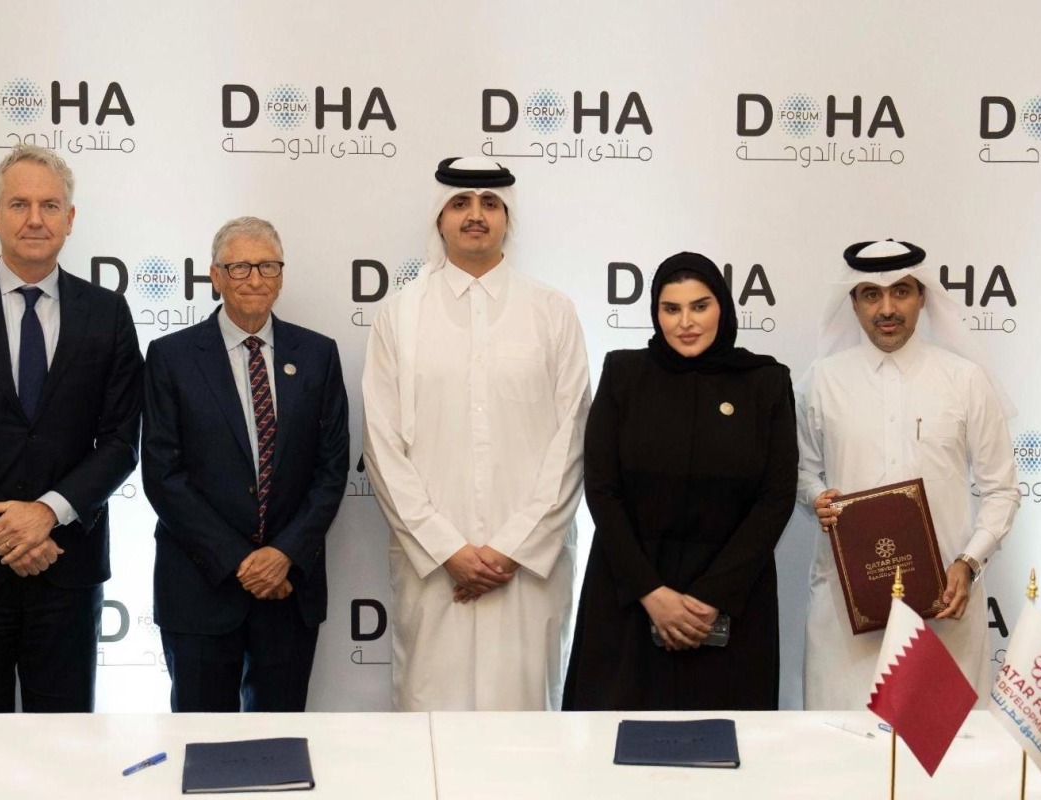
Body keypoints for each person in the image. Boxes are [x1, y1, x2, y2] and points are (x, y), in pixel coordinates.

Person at [0, 144, 143, 713]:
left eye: (50, 205)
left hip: (68, 565)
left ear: (70, 218)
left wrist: (47, 514)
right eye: (19, 204)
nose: (35, 218)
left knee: (65, 747)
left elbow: (119, 442)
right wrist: (7, 529)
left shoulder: (107, 314)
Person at [362, 157, 589, 711]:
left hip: (529, 570)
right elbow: (383, 446)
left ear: (508, 218)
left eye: (490, 204)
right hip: (434, 569)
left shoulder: (552, 312)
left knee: (526, 722)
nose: (475, 216)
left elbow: (573, 440)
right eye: (460, 203)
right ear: (438, 218)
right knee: (432, 726)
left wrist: (511, 549)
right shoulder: (399, 316)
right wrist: (449, 549)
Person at [563, 252, 797, 711]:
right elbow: (603, 490)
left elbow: (776, 497)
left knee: (728, 758)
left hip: (731, 603)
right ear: (656, 313)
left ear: (723, 309)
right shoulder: (624, 374)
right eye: (671, 309)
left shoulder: (765, 382)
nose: (686, 322)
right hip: (629, 597)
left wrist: (711, 598)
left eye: (700, 306)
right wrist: (651, 593)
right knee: (611, 760)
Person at [798, 239, 1019, 709]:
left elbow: (1001, 490)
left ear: (922, 296)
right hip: (846, 612)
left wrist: (970, 562)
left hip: (944, 602)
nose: (887, 308)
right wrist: (817, 496)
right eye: (871, 295)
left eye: (900, 291)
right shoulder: (821, 380)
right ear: (853, 303)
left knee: (942, 761)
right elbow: (800, 469)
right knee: (841, 757)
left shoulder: (964, 380)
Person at [142, 216, 348, 712]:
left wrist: (283, 555)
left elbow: (332, 468)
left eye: (268, 266)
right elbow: (163, 476)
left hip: (288, 588)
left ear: (282, 274)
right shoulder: (171, 356)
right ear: (215, 276)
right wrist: (240, 561)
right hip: (200, 587)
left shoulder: (318, 354)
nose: (255, 279)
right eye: (239, 267)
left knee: (280, 748)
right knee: (201, 742)